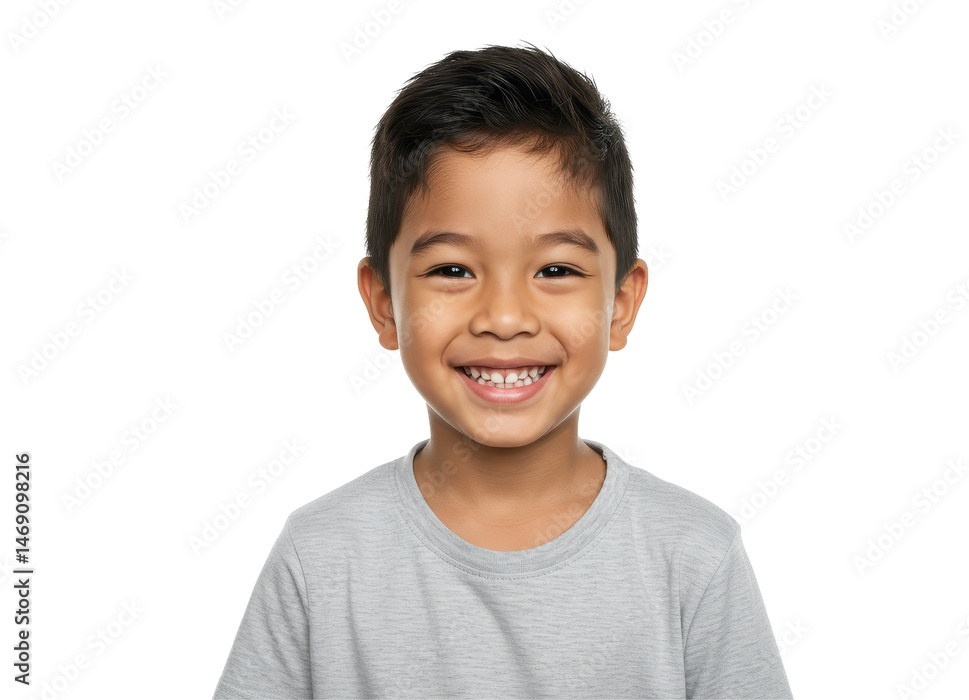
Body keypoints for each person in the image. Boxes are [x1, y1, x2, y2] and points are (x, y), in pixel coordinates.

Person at [213, 42, 793, 699]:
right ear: (384, 304)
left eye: (556, 269)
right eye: (452, 270)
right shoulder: (321, 557)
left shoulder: (694, 557)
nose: (506, 317)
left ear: (621, 304)